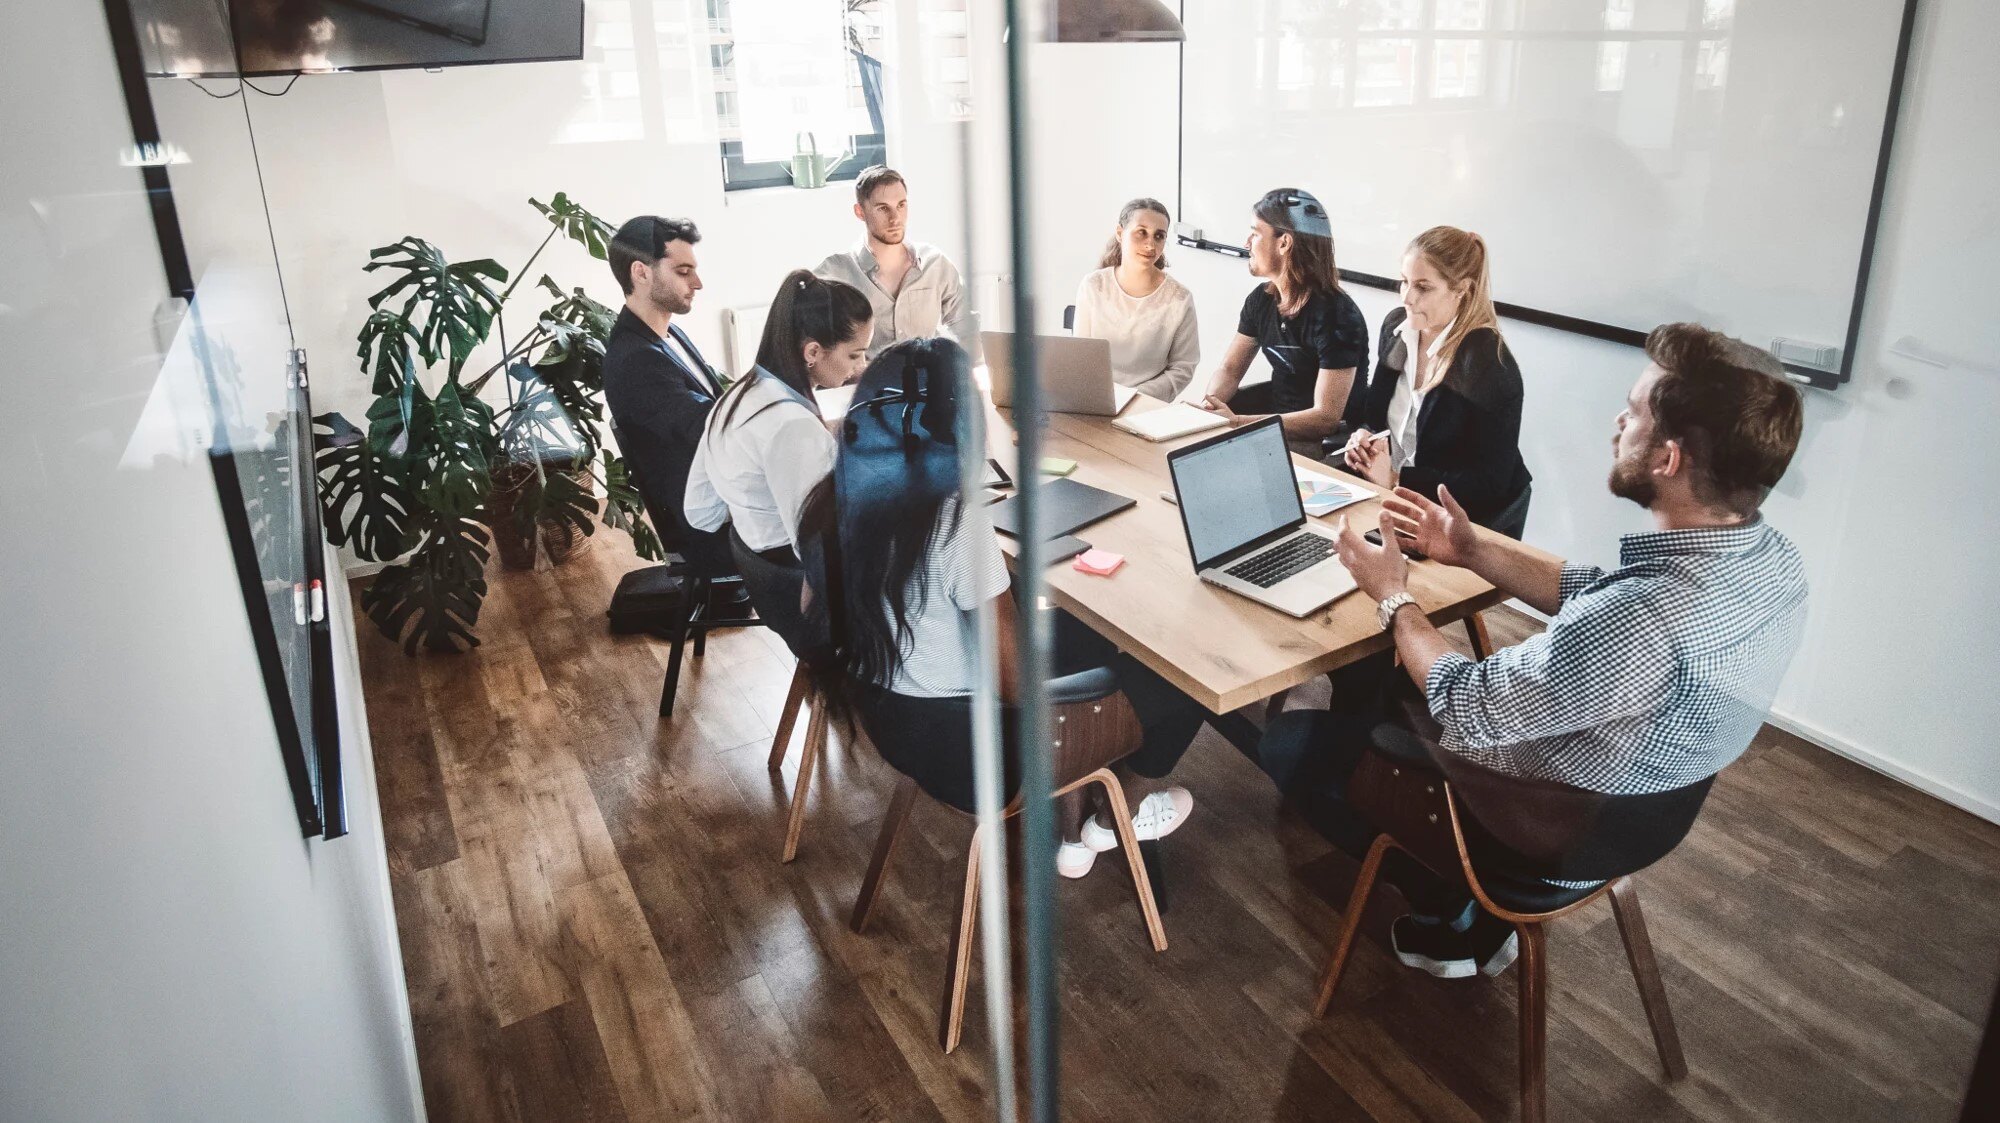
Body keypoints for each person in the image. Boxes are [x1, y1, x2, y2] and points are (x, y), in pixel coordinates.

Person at [1258, 322, 1807, 978]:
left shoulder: (1639, 622)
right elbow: (1590, 589)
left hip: (1544, 832)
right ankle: (1460, 901)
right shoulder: (1770, 564)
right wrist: (1471, 548)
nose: (1617, 422)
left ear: (1668, 459)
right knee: (1381, 697)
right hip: (1638, 819)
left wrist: (1393, 594)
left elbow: (1463, 699)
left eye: (1632, 413)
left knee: (1290, 743)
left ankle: (1456, 908)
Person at [796, 337, 1207, 879]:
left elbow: (816, 613)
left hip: (897, 726)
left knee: (1074, 629)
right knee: (1186, 674)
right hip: (978, 758)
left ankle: (1073, 822)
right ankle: (1116, 814)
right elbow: (1017, 687)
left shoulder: (831, 500)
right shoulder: (952, 523)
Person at [1340, 226, 1533, 536]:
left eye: (1423, 287)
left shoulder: (1489, 365)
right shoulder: (1396, 329)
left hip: (1463, 520)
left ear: (1461, 289)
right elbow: (1374, 414)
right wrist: (1363, 436)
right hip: (1392, 500)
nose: (1407, 298)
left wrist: (1397, 478)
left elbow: (1488, 484)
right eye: (1404, 282)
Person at [684, 270, 874, 564]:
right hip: (798, 580)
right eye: (854, 355)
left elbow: (700, 512)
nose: (861, 367)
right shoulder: (794, 426)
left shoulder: (737, 395)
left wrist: (755, 510)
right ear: (813, 351)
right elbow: (818, 547)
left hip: (760, 564)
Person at [602, 215, 733, 574]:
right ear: (641, 273)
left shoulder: (667, 338)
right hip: (711, 528)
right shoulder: (636, 360)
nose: (698, 283)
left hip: (722, 493)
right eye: (682, 271)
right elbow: (709, 426)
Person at [1197, 188, 1369, 453]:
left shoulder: (1338, 316)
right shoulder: (1261, 299)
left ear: (1284, 243)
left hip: (1322, 444)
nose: (1247, 243)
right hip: (1274, 430)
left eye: (1255, 234)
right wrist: (1210, 406)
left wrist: (1238, 423)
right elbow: (1230, 369)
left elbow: (1325, 418)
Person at [814, 166, 976, 360]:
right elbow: (802, 335)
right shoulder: (836, 273)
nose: (895, 218)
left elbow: (967, 327)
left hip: (928, 383)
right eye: (883, 208)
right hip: (868, 387)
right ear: (860, 212)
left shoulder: (935, 264)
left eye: (901, 205)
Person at [1072, 197, 1200, 401]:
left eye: (1159, 236)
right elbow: (1080, 357)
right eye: (1141, 233)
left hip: (1146, 406)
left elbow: (1183, 368)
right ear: (1120, 234)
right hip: (1094, 401)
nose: (1150, 244)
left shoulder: (1179, 299)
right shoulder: (1093, 285)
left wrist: (1134, 396)